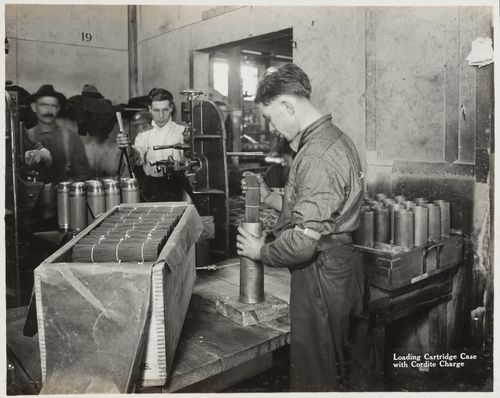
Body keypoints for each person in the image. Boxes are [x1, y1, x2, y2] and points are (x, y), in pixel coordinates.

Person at [237, 63, 368, 391]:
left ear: (286, 105)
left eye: (270, 118)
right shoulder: (333, 138)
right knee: (343, 367)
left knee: (318, 374)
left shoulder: (316, 156)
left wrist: (260, 251)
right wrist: (270, 200)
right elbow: (321, 211)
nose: (272, 128)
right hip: (340, 266)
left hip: (322, 273)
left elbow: (303, 242)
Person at [116, 88, 191, 202]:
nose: (161, 116)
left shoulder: (182, 132)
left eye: (165, 110)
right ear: (150, 109)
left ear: (171, 108)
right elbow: (137, 157)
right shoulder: (144, 134)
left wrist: (189, 142)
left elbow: (191, 160)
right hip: (151, 189)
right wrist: (127, 146)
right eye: (156, 110)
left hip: (177, 189)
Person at [24, 84, 90, 182]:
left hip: (64, 194)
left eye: (53, 106)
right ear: (34, 107)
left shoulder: (71, 137)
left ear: (58, 109)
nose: (49, 110)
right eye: (44, 105)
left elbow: (84, 174)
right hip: (33, 195)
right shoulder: (25, 137)